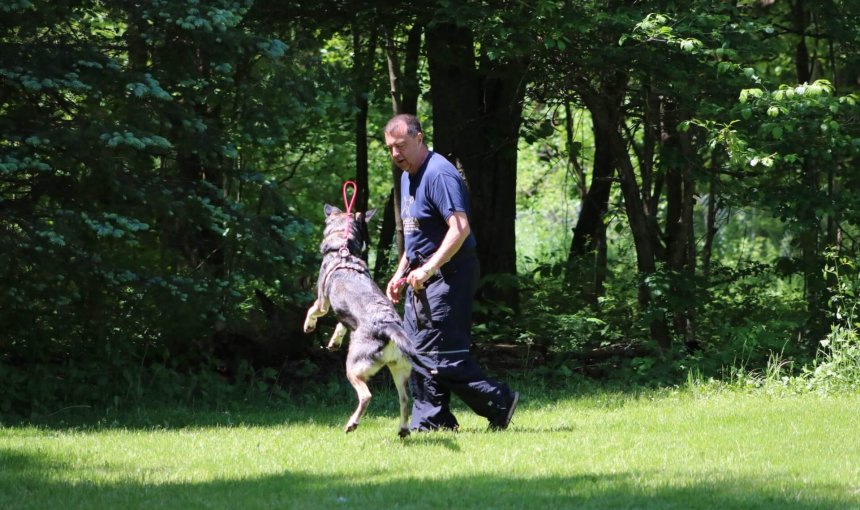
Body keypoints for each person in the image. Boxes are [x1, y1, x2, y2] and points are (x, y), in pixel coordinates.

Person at [383, 113, 519, 432]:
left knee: (441, 353)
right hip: (420, 275)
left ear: (419, 139)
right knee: (415, 349)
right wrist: (400, 273)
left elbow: (459, 228)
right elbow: (416, 236)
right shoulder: (406, 176)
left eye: (401, 145)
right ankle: (433, 421)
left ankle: (499, 401)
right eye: (390, 148)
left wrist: (430, 268)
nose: (396, 154)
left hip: (449, 273)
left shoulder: (439, 173)